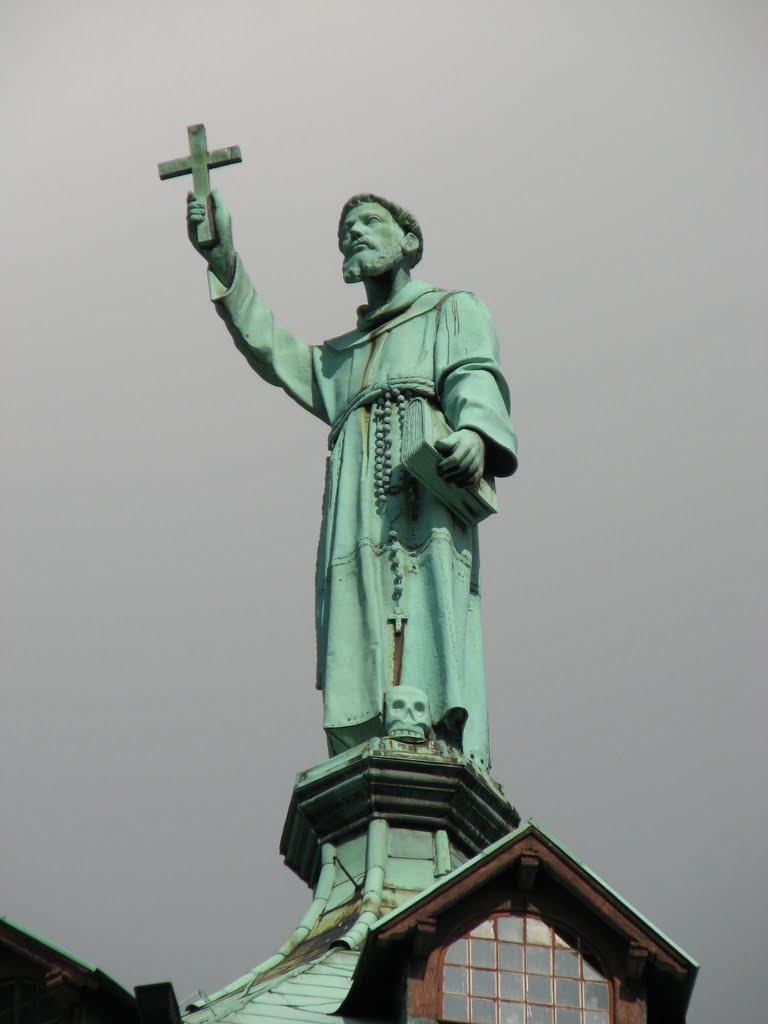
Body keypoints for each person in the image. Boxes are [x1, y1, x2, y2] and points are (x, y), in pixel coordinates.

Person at [186, 190, 517, 768]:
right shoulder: (341, 359)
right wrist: (224, 261)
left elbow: (475, 374)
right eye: (346, 230)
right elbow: (271, 347)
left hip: (427, 494)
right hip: (354, 509)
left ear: (410, 241)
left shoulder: (450, 309)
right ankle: (369, 730)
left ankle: (437, 731)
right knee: (356, 604)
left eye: (369, 222)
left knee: (428, 594)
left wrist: (475, 434)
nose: (354, 234)